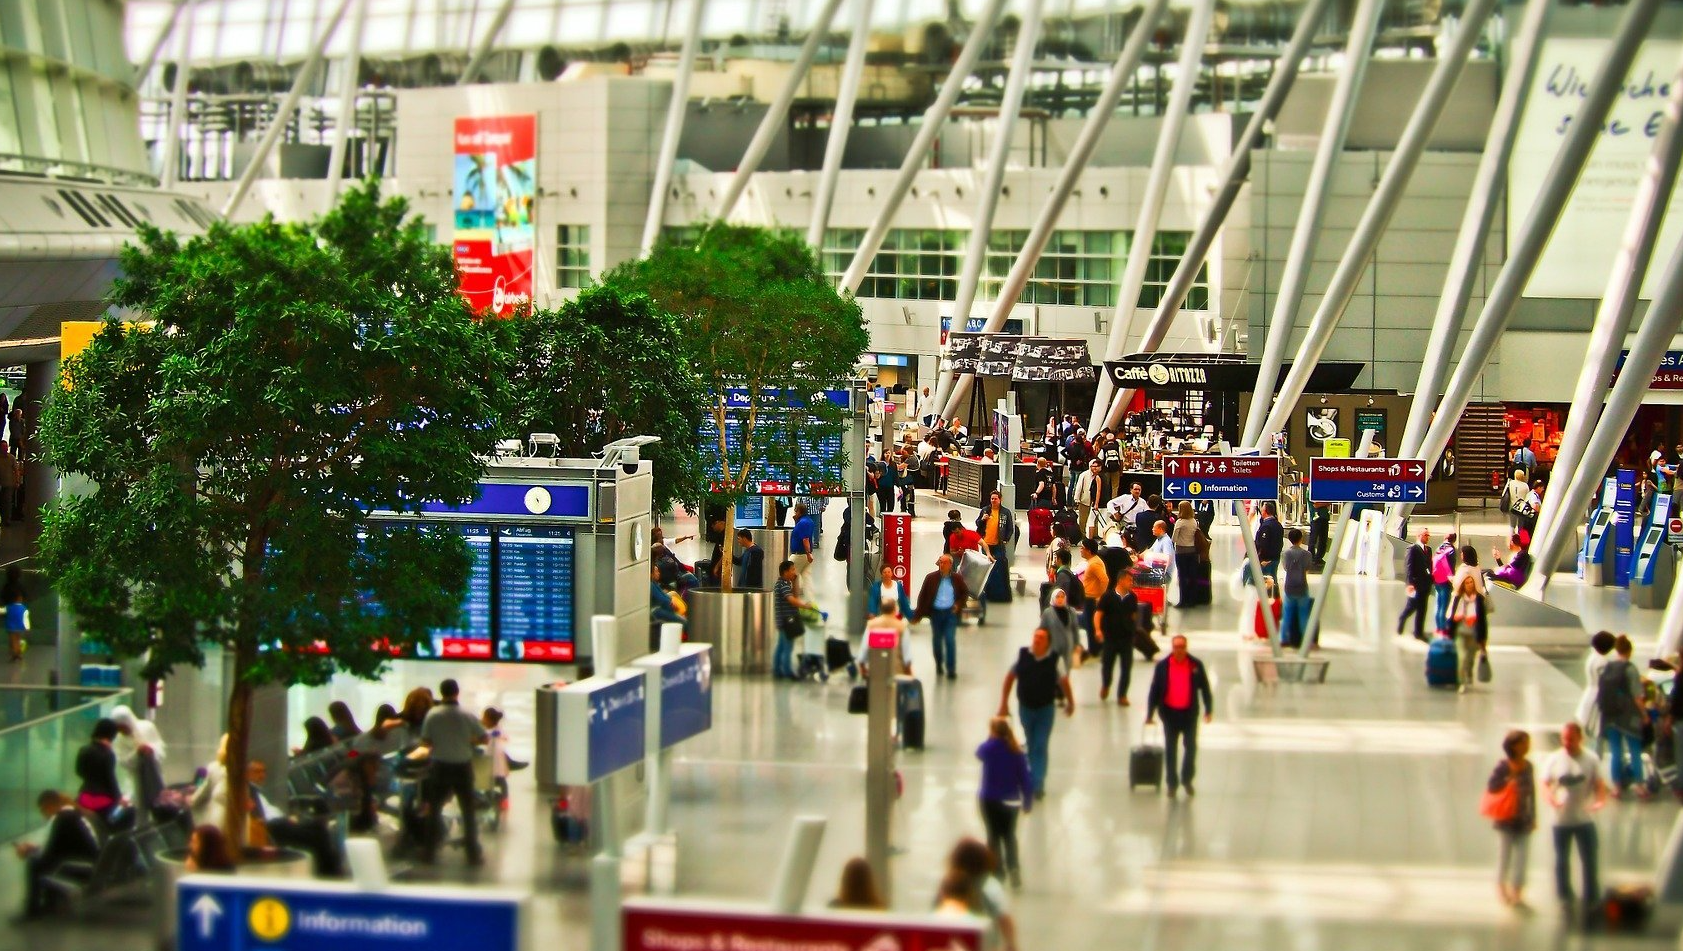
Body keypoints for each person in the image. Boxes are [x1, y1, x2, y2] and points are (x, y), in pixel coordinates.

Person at [997, 629, 1074, 799]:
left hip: (1045, 709)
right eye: (1035, 637)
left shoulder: (1055, 659)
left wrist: (1070, 702)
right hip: (1025, 708)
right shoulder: (1023, 655)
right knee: (1031, 743)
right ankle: (1030, 777)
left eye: (1041, 638)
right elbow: (1010, 678)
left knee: (1040, 744)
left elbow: (1064, 681)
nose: (1037, 640)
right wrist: (1004, 703)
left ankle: (1037, 783)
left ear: (1048, 642)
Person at [419, 678, 488, 865]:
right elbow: (484, 738)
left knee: (434, 810)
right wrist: (468, 741)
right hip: (463, 767)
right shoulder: (467, 715)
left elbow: (426, 741)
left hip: (440, 767)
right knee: (468, 811)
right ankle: (473, 853)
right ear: (457, 692)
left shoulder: (433, 715)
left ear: (441, 693)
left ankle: (429, 852)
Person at [1543, 722, 1608, 911]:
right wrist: (1551, 799)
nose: (1567, 742)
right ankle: (1564, 894)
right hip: (1560, 820)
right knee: (1561, 859)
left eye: (1571, 739)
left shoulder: (1591, 759)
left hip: (1584, 818)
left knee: (1589, 858)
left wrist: (1599, 801)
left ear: (1580, 738)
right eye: (1564, 739)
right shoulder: (1554, 759)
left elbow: (1599, 784)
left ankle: (1591, 894)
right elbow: (1546, 784)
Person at [246, 760, 344, 876]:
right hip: (271, 826)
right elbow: (258, 814)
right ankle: (329, 873)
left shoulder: (258, 792)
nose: (261, 776)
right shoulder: (248, 791)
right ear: (247, 773)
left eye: (263, 772)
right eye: (257, 772)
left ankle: (330, 869)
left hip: (280, 821)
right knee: (316, 836)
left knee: (318, 828)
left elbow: (269, 809)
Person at [1145, 635, 1214, 798]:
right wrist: (1150, 714)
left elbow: (1205, 688)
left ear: (1186, 647)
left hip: (1189, 714)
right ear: (1172, 648)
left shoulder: (1195, 665)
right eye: (1176, 647)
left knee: (1191, 748)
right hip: (1169, 714)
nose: (1179, 650)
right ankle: (1171, 783)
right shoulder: (1162, 666)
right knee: (1171, 749)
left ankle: (1187, 779)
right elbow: (1154, 691)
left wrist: (1208, 709)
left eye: (1182, 647)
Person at [14, 790, 100, 919]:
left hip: (85, 868)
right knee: (44, 862)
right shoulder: (74, 815)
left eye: (43, 810)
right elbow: (60, 847)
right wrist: (36, 848)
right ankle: (49, 903)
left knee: (34, 864)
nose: (44, 814)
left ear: (48, 805)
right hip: (91, 864)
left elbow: (50, 854)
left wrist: (28, 852)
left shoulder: (62, 818)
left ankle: (32, 910)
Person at [976, 717, 1033, 889]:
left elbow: (978, 753)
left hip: (989, 799)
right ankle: (1014, 868)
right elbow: (1025, 779)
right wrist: (1027, 801)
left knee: (993, 835)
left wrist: (991, 738)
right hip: (1011, 801)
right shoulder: (1017, 752)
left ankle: (996, 870)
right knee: (1009, 836)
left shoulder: (989, 748)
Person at [1486, 730, 1537, 907]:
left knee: (1522, 857)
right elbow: (1492, 787)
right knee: (1504, 856)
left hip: (1523, 819)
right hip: (1505, 819)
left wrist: (1533, 816)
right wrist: (1509, 781)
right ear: (1514, 746)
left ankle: (1517, 891)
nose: (1527, 746)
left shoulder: (1529, 766)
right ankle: (1502, 887)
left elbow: (1532, 793)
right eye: (1524, 743)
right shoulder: (1502, 766)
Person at [1595, 635, 1649, 799]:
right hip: (1628, 716)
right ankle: (1639, 786)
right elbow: (1637, 696)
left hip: (1610, 716)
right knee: (1634, 750)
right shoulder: (1630, 669)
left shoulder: (1607, 667)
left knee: (1616, 752)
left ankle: (1617, 787)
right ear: (1629, 651)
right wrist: (1644, 715)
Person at [945, 838, 1018, 951]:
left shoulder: (950, 884)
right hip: (984, 941)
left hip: (954, 941)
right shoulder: (990, 885)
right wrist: (1011, 944)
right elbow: (1004, 916)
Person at [914, 554, 968, 679]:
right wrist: (918, 614)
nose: (941, 565)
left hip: (950, 614)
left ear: (950, 565)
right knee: (937, 641)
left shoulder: (957, 579)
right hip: (936, 613)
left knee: (950, 640)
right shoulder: (931, 578)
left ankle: (951, 669)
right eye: (940, 562)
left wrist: (958, 605)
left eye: (944, 563)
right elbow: (923, 596)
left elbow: (964, 593)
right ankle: (939, 663)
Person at [1095, 570, 1139, 705]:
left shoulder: (1132, 597)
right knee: (1107, 665)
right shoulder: (1108, 597)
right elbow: (1099, 614)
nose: (1131, 583)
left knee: (1126, 667)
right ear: (1120, 581)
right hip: (1110, 637)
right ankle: (1106, 685)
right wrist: (1098, 630)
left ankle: (1122, 695)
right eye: (1129, 580)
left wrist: (1133, 628)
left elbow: (1134, 615)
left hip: (1126, 638)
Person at [108, 704, 166, 804]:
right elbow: (123, 761)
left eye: (123, 727)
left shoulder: (147, 727)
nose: (122, 731)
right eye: (119, 728)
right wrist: (137, 753)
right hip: (134, 781)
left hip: (154, 777)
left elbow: (160, 748)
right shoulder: (119, 740)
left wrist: (151, 750)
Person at [75, 718, 124, 824]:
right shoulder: (108, 754)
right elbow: (110, 778)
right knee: (125, 811)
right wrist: (119, 798)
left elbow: (78, 771)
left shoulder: (83, 750)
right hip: (104, 801)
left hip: (84, 797)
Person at [1576, 631, 1618, 746]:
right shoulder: (1603, 662)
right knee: (1597, 732)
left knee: (1590, 731)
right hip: (1598, 699)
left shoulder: (1592, 657)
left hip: (1589, 694)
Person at [773, 560, 812, 680]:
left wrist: (795, 581)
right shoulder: (783, 584)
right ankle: (787, 672)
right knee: (787, 648)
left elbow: (794, 596)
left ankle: (777, 670)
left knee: (781, 647)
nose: (794, 572)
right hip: (786, 621)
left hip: (783, 620)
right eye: (792, 570)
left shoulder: (784, 583)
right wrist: (804, 605)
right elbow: (791, 599)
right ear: (785, 572)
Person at [976, 490, 1016, 604]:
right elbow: (978, 524)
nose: (993, 501)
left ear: (1000, 499)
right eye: (992, 498)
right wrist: (982, 520)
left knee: (999, 569)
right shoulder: (985, 510)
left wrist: (1005, 540)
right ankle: (987, 593)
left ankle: (999, 594)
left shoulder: (1005, 512)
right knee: (987, 569)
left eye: (995, 499)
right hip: (986, 544)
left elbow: (1010, 528)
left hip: (998, 545)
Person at [1449, 574, 1485, 694]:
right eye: (1467, 583)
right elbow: (1452, 616)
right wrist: (1449, 633)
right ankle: (1462, 681)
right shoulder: (1458, 598)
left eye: (1471, 582)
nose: (1469, 585)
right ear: (1463, 585)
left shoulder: (1479, 599)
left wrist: (1483, 640)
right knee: (1462, 658)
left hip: (1474, 632)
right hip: (1461, 632)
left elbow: (1482, 620)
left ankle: (1469, 672)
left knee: (1470, 658)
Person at [1279, 529, 1313, 649]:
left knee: (1287, 614)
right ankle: (1306, 640)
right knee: (1303, 615)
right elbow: (1308, 568)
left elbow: (1286, 568)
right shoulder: (1307, 554)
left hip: (1289, 587)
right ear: (1301, 539)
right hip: (1302, 586)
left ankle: (1283, 638)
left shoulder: (1285, 554)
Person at [1397, 529, 1433, 641]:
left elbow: (1429, 565)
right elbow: (1409, 566)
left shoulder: (1428, 549)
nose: (1427, 537)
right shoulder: (1412, 549)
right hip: (1416, 584)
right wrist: (1410, 583)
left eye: (1428, 535)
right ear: (1419, 535)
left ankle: (1419, 632)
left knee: (1423, 609)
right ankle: (1402, 619)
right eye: (1425, 535)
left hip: (1425, 583)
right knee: (1411, 606)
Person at [1078, 539, 1109, 657]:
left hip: (1092, 599)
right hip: (1089, 598)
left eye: (1082, 548)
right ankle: (1094, 648)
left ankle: (1094, 649)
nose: (1080, 550)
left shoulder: (1094, 563)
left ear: (1088, 550)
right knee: (1089, 624)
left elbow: (1104, 579)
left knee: (1091, 625)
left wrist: (1100, 596)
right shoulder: (1092, 561)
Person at [1038, 587, 1081, 673]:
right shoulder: (1047, 613)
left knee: (1065, 672)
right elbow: (1042, 630)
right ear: (1053, 598)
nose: (1060, 599)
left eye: (1062, 597)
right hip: (1053, 647)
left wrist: (1077, 644)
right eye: (1057, 597)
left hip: (1068, 646)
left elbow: (1075, 629)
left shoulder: (1071, 611)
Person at [1171, 501, 1200, 608]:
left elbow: (1174, 539)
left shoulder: (1180, 522)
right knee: (1192, 576)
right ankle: (1192, 600)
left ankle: (1183, 600)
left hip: (1181, 552)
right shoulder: (1193, 521)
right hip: (1192, 551)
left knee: (1182, 576)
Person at [1432, 532, 1459, 635]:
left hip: (1437, 579)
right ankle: (1443, 629)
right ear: (1454, 540)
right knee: (1444, 606)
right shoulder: (1451, 550)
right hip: (1446, 581)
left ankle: (1438, 627)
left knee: (1437, 605)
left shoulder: (1439, 548)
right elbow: (1451, 567)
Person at [790, 502, 818, 594]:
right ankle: (810, 601)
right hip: (805, 555)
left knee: (787, 574)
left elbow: (805, 539)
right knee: (806, 578)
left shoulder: (803, 523)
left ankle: (791, 597)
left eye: (796, 511)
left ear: (799, 511)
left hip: (800, 554)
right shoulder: (807, 521)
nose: (795, 513)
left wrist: (808, 553)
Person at [1073, 460, 1104, 537]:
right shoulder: (1084, 475)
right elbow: (1079, 486)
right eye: (1093, 466)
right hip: (1084, 499)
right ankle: (1082, 534)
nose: (1094, 468)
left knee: (1095, 517)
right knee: (1083, 519)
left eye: (1096, 466)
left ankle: (1095, 534)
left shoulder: (1099, 476)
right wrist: (1076, 498)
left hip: (1094, 499)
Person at [1253, 503, 1284, 582]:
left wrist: (1262, 559)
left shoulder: (1266, 526)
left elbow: (1263, 544)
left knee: (1266, 581)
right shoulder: (1278, 525)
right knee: (1273, 579)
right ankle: (1275, 593)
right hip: (1276, 558)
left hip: (1266, 560)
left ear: (1265, 512)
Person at [1501, 468, 1531, 536]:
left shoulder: (1510, 483)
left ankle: (1512, 538)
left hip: (1512, 506)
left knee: (1512, 525)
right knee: (1521, 525)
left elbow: (1504, 493)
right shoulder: (1525, 485)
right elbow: (1528, 497)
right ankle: (1521, 539)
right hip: (1521, 508)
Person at [5, 589, 26, 662]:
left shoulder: (9, 607)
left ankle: (15, 654)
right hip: (20, 627)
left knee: (13, 641)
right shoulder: (23, 608)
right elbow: (25, 618)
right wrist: (27, 627)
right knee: (18, 640)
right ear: (19, 598)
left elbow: (2, 611)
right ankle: (18, 654)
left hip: (11, 628)